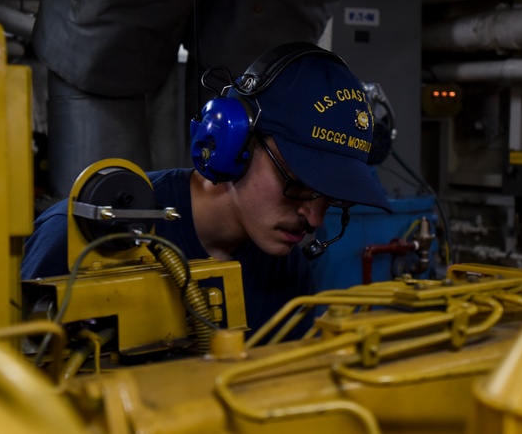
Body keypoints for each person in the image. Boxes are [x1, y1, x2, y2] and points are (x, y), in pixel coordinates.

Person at [22, 43, 392, 335]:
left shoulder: (285, 261)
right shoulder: (83, 237)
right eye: (297, 184)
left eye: (331, 199)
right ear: (234, 144)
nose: (313, 218)